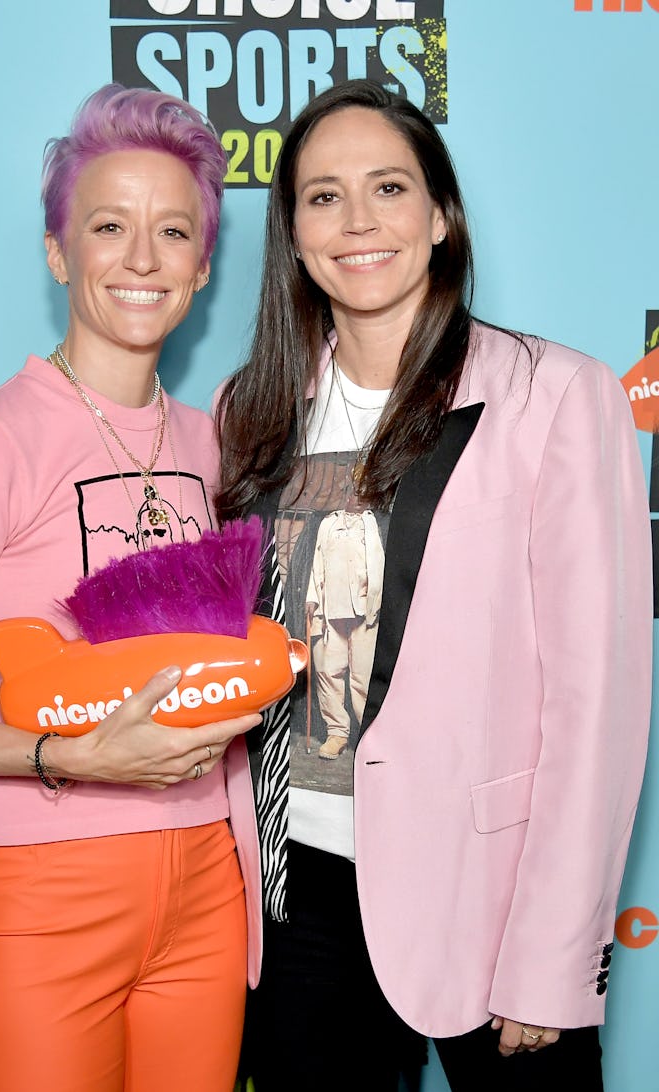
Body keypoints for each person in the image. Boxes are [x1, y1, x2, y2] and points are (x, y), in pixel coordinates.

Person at [215, 79, 652, 1092]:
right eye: (322, 197)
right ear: (290, 229)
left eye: (387, 188)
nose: (357, 221)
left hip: (489, 899)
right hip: (295, 901)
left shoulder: (553, 394)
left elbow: (597, 702)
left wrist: (551, 959)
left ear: (440, 215)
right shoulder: (253, 408)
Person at [0, 84, 262, 1092]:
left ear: (202, 265)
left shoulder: (213, 446)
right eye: (107, 226)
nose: (139, 258)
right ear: (56, 252)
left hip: (204, 887)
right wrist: (71, 755)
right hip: (36, 893)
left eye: (171, 232)